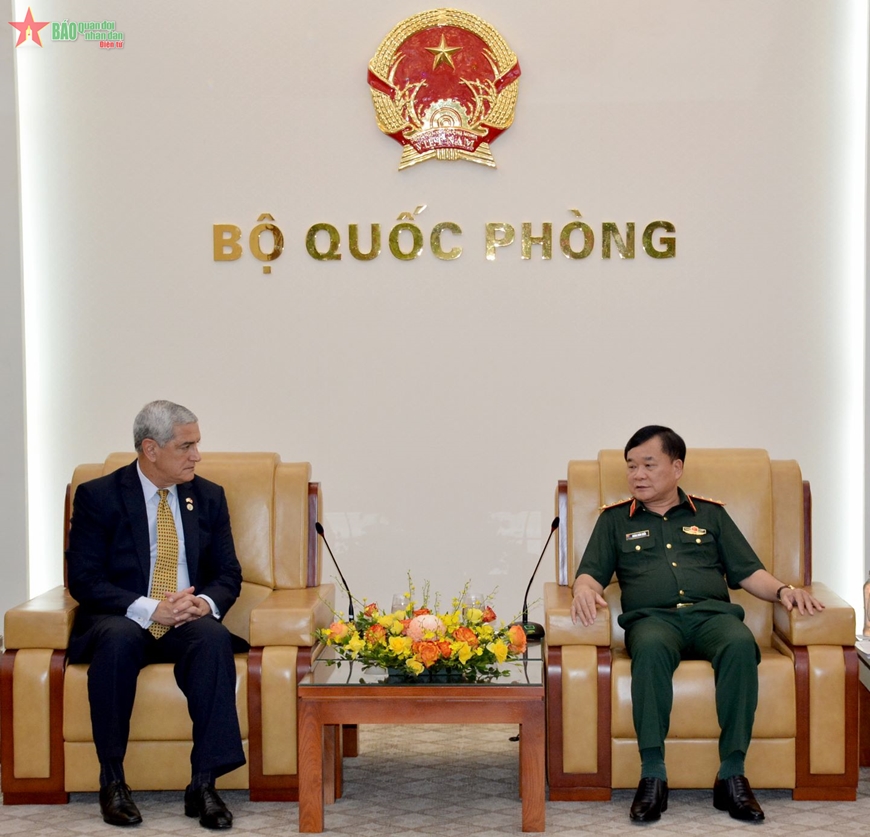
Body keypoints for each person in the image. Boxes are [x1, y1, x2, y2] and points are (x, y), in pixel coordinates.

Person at [570, 425, 823, 824]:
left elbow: (748, 571)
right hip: (653, 621)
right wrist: (583, 590)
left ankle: (732, 775)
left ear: (676, 468)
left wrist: (783, 591)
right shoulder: (614, 520)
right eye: (631, 466)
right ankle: (653, 776)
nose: (637, 475)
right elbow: (590, 573)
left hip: (712, 618)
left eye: (648, 465)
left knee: (740, 644)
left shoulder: (710, 514)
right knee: (649, 649)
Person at [67, 401, 245, 829]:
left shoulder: (208, 496)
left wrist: (205, 604)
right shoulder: (99, 496)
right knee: (117, 640)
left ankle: (203, 784)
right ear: (150, 449)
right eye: (186, 446)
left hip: (186, 618)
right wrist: (151, 608)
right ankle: (113, 782)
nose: (197, 455)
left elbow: (228, 573)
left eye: (197, 444)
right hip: (125, 616)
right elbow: (84, 580)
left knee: (213, 638)